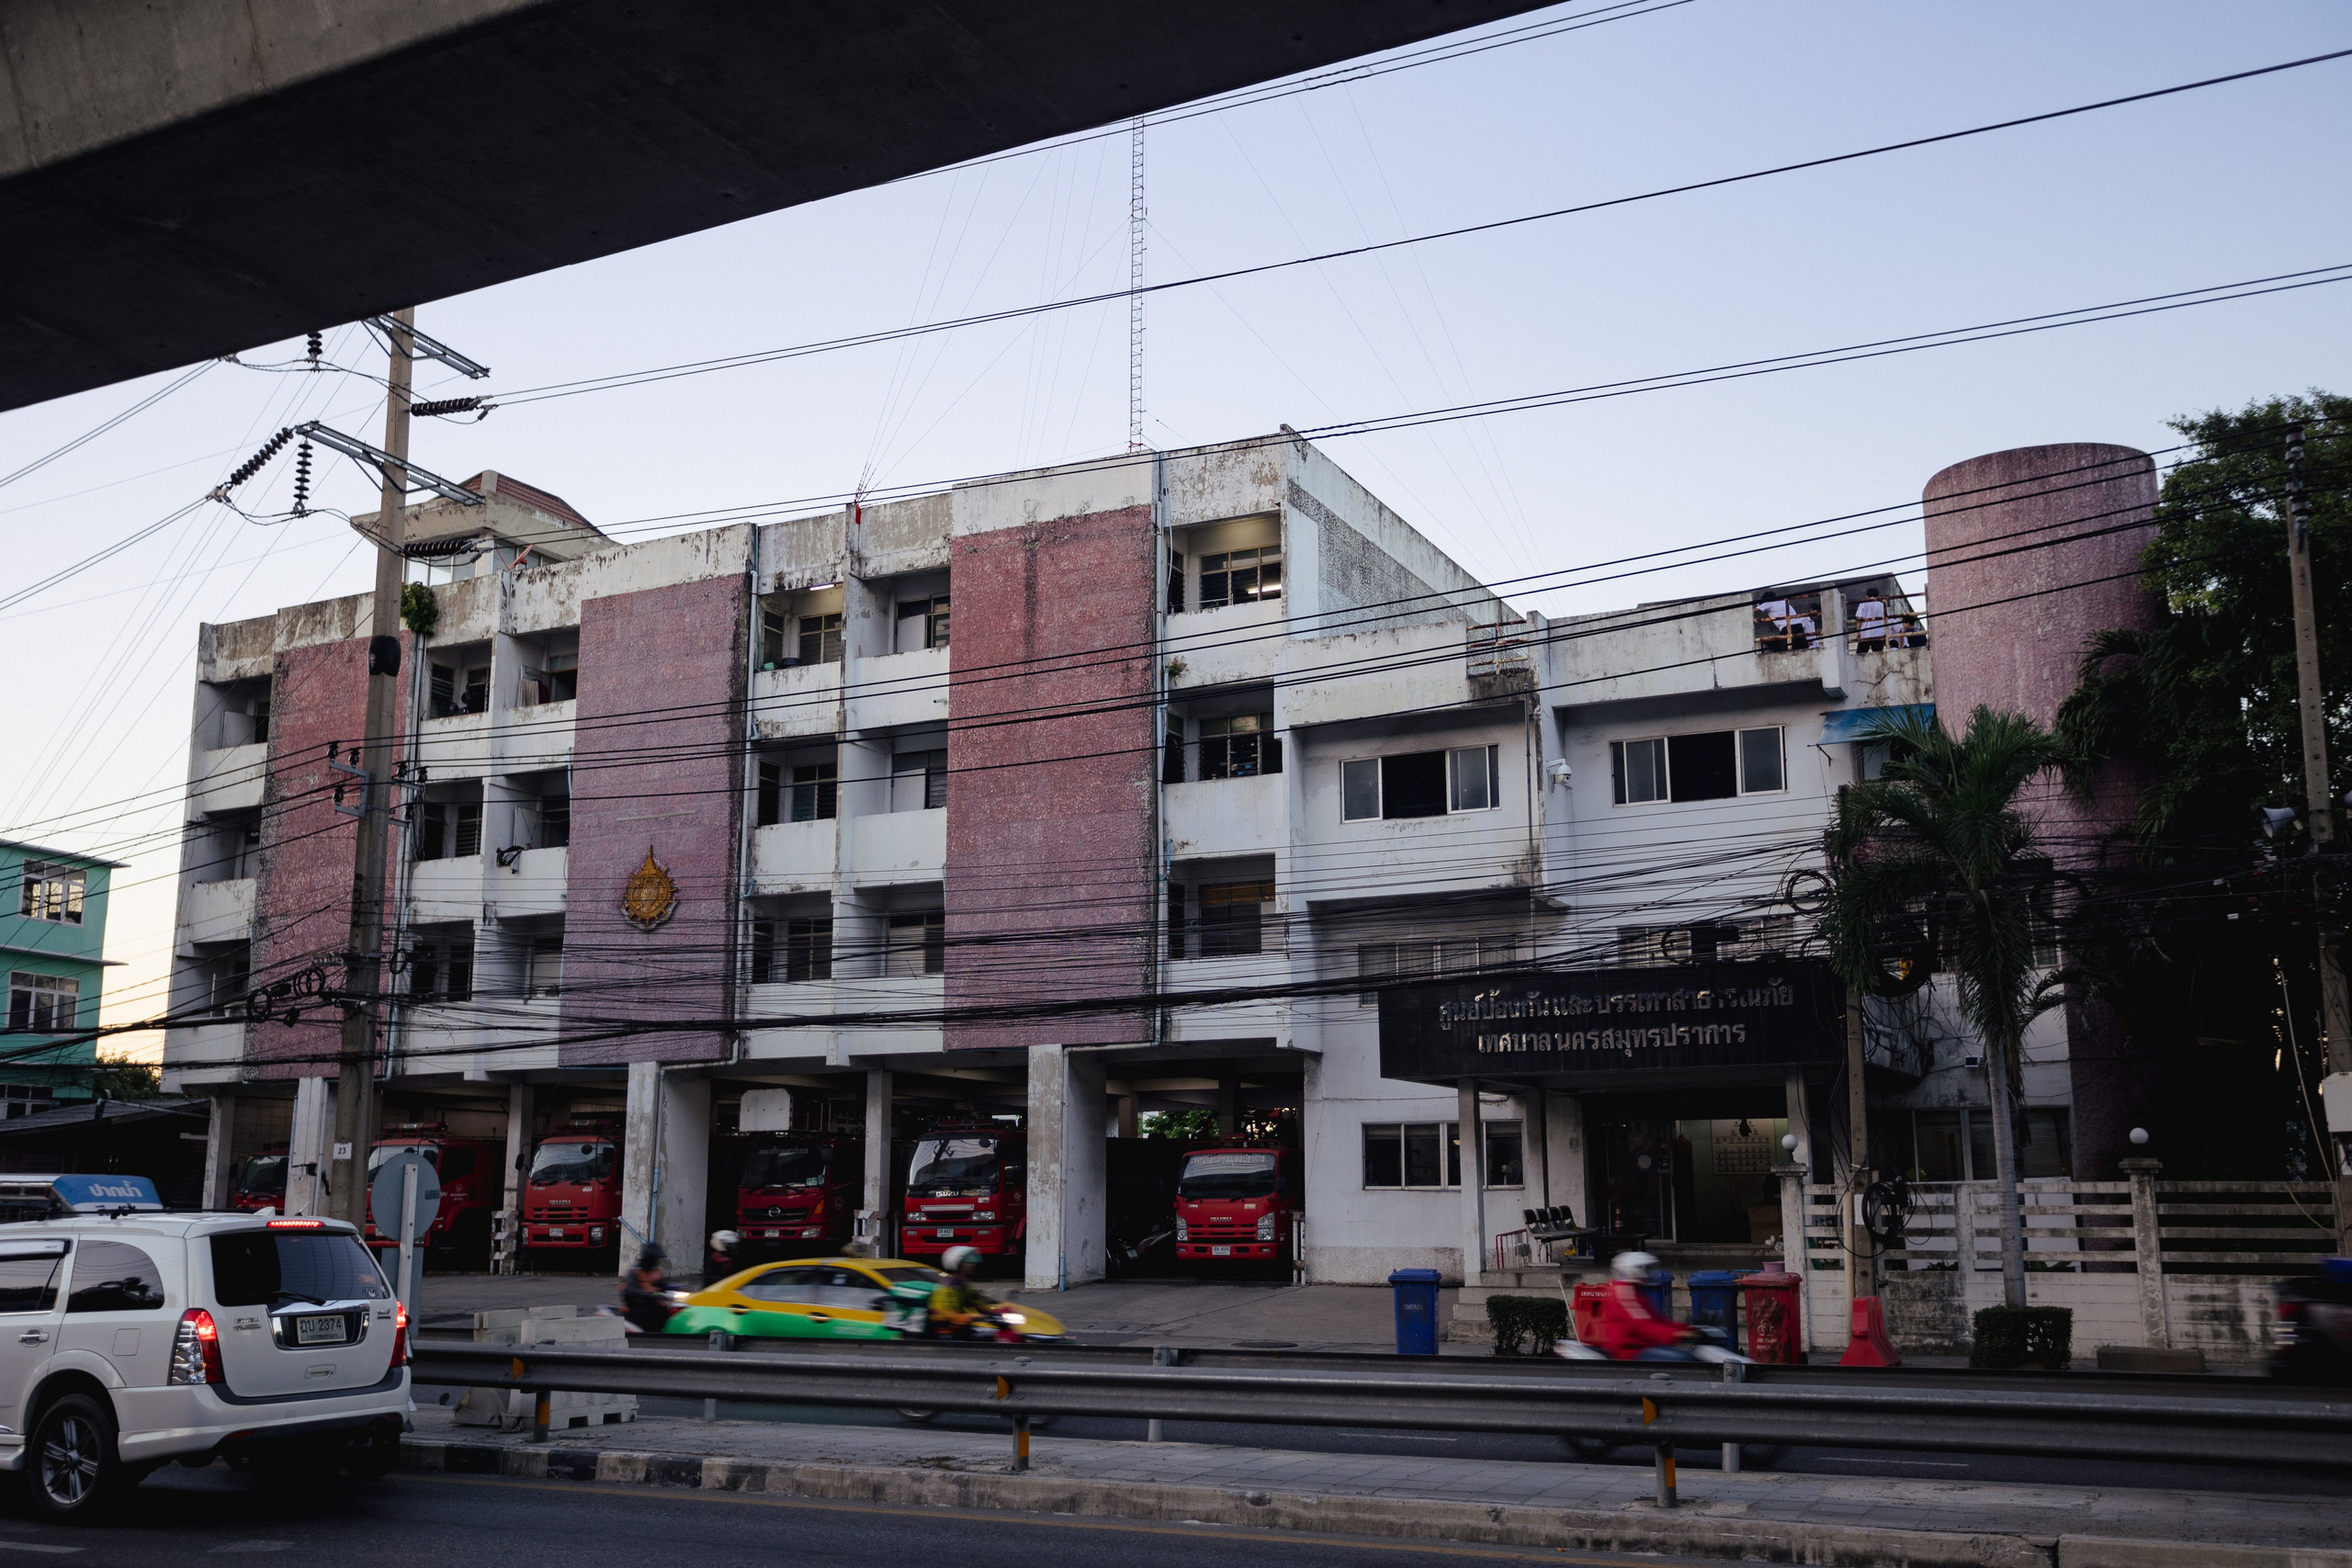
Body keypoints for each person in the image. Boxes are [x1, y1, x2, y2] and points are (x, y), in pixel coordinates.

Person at [1589, 1250, 1698, 1361]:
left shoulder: (1635, 1291)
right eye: (1646, 1268)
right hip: (1630, 1351)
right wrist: (1677, 1334)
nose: (1649, 1272)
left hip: (1644, 1345)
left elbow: (1657, 1320)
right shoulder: (1624, 1292)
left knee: (1689, 1355)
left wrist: (1689, 1328)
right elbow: (1643, 1325)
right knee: (1683, 1358)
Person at [926, 1245, 995, 1339]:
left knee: (992, 1335)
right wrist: (977, 1317)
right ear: (957, 1264)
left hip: (961, 1330)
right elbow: (949, 1315)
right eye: (967, 1263)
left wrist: (997, 1311)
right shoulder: (947, 1287)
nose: (972, 1265)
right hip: (946, 1334)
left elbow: (978, 1301)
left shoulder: (962, 1285)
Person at [619, 1242, 674, 1335]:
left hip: (653, 1304)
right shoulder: (635, 1272)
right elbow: (631, 1291)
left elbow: (663, 1285)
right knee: (649, 1314)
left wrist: (677, 1289)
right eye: (654, 1259)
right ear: (648, 1258)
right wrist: (647, 1295)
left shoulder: (656, 1271)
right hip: (637, 1306)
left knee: (668, 1310)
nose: (656, 1261)